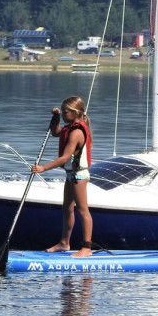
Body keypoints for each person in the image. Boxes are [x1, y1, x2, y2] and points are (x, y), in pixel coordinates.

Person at [31, 96, 93, 257]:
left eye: (65, 112)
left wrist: (43, 167)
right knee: (67, 208)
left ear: (75, 113)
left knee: (82, 210)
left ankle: (87, 248)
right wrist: (56, 117)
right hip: (71, 175)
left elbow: (65, 158)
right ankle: (64, 243)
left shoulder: (77, 132)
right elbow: (55, 132)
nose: (64, 115)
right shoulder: (69, 128)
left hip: (79, 175)